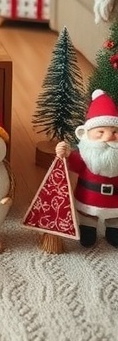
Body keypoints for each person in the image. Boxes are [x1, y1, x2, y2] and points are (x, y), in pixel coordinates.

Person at [55, 88, 118, 248]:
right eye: (101, 132)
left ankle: (114, 230)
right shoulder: (85, 153)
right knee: (87, 217)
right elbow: (73, 165)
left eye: (115, 131)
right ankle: (88, 228)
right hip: (88, 198)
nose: (109, 136)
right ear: (86, 134)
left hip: (115, 202)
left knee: (115, 218)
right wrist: (65, 154)